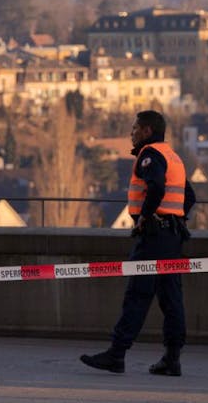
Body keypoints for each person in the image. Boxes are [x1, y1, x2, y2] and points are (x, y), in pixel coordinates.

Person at [80, 110, 196, 376]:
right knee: (171, 298)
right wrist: (175, 218)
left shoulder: (150, 155)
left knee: (138, 294)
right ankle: (172, 358)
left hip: (154, 238)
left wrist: (145, 217)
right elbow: (189, 196)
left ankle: (116, 354)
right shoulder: (173, 157)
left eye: (134, 129)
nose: (131, 134)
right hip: (172, 238)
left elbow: (156, 187)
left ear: (146, 131)